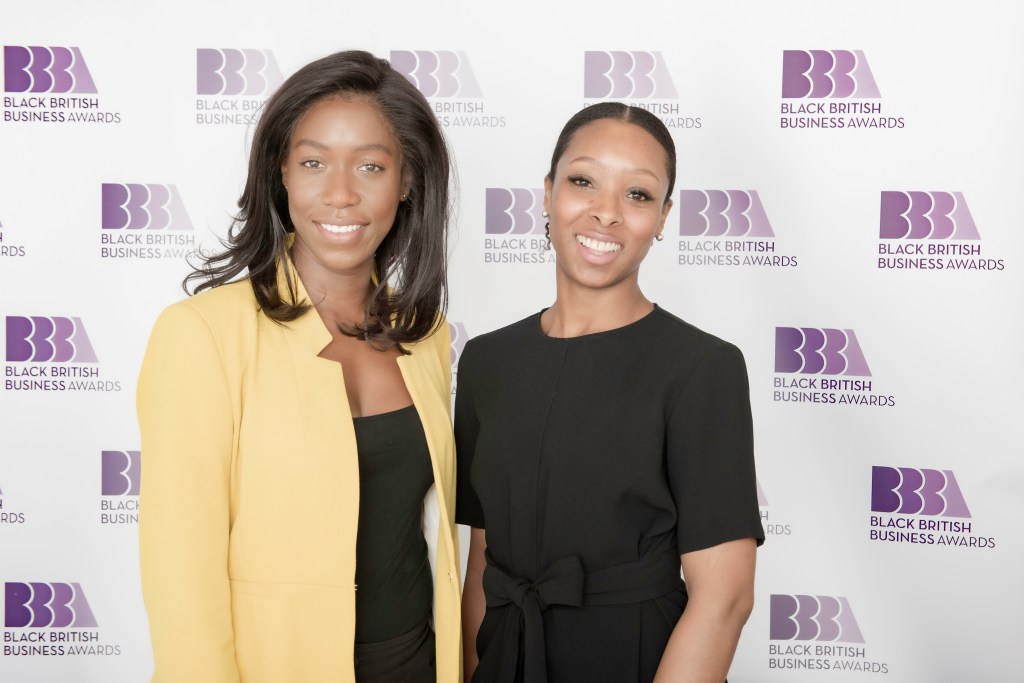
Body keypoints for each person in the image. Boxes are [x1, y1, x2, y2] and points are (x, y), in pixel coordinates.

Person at [137, 50, 460, 683]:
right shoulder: (202, 334)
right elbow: (179, 567)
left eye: (371, 166)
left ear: (408, 181)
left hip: (416, 661)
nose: (340, 194)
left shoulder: (426, 335)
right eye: (313, 163)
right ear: (281, 172)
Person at [456, 102, 764, 683]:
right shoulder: (486, 361)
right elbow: (483, 562)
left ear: (663, 217)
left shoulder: (703, 368)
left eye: (637, 194)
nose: (606, 212)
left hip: (636, 658)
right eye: (583, 182)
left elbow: (725, 599)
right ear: (547, 194)